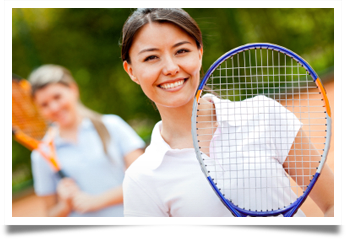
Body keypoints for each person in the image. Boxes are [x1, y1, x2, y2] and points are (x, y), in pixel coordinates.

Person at [120, 8, 334, 217]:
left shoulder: (264, 114)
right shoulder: (141, 179)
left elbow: (335, 203)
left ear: (200, 53)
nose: (170, 67)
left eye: (181, 51)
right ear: (132, 71)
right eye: (151, 58)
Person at [29, 64, 145, 217]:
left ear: (73, 89)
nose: (54, 107)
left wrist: (96, 201)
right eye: (44, 105)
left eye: (57, 97)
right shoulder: (41, 155)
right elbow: (50, 215)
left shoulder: (112, 125)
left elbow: (144, 181)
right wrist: (65, 205)